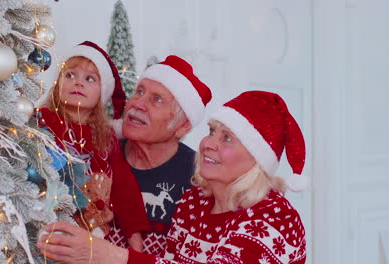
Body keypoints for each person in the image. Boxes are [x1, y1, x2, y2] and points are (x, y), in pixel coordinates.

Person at [37, 90, 308, 264]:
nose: (207, 144)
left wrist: (110, 256)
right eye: (211, 131)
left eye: (226, 138)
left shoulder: (274, 218)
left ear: (256, 159)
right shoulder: (193, 203)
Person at [37, 41, 149, 250]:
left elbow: (124, 189)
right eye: (70, 75)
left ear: (102, 92)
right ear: (58, 83)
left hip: (90, 234)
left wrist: (135, 240)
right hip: (44, 222)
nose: (78, 83)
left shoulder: (105, 139)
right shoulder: (43, 121)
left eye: (90, 79)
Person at [107, 55, 212, 256]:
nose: (138, 103)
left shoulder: (201, 179)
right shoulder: (101, 155)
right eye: (139, 92)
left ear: (183, 126)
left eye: (156, 99)